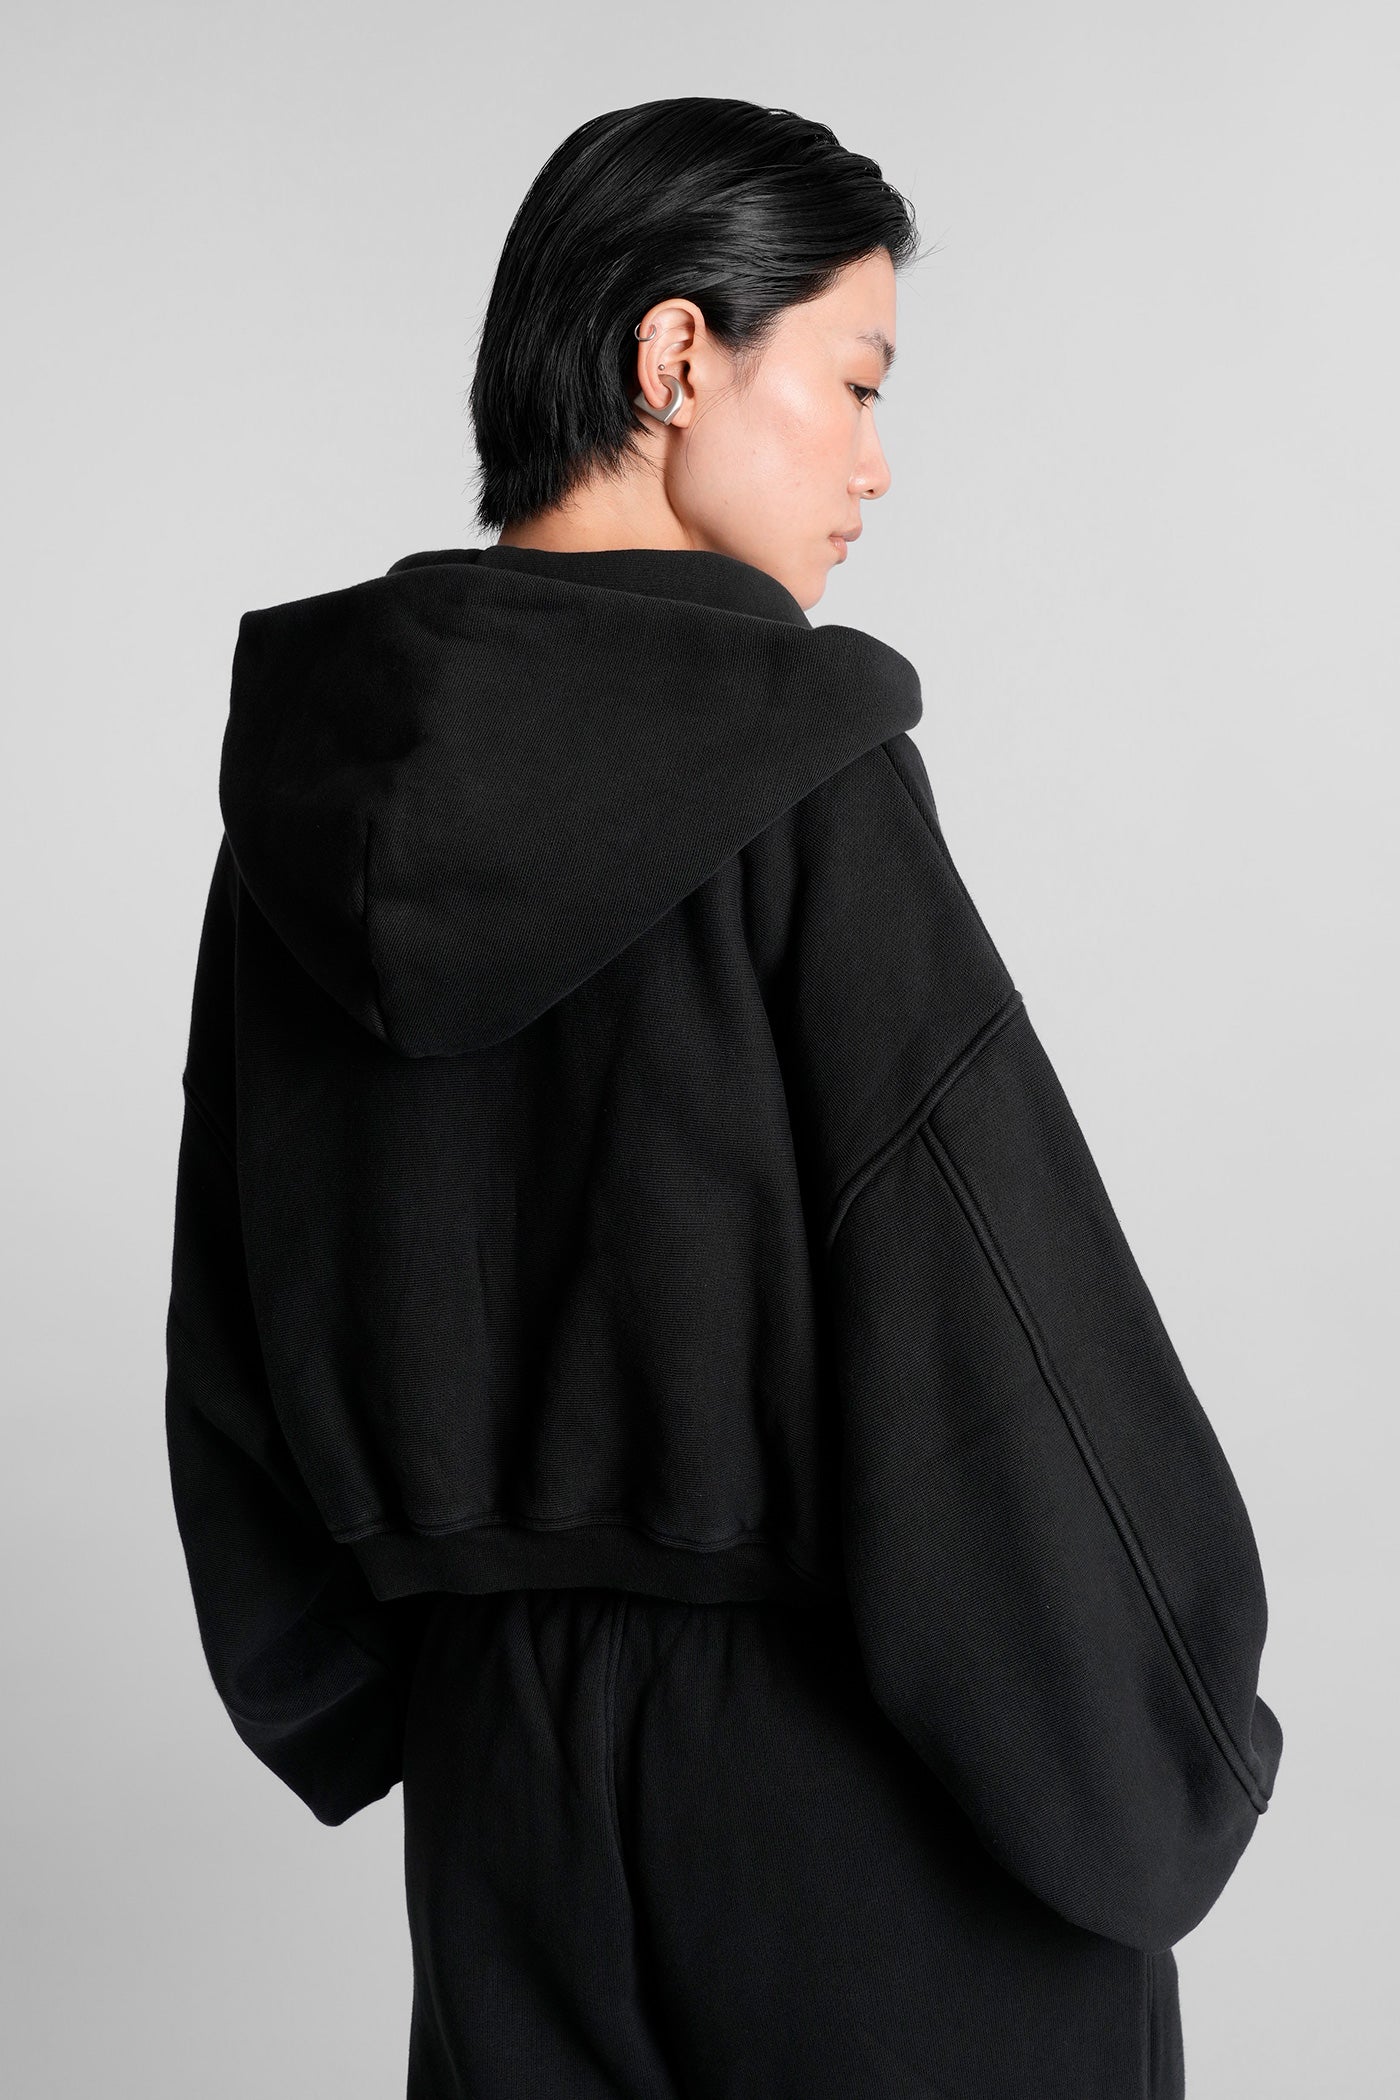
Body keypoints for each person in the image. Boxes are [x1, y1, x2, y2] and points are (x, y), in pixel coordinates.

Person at [164, 96, 1282, 2099]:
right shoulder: (801, 777)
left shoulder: (303, 818)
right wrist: (1159, 1738)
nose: (873, 463)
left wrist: (362, 1686)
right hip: (849, 1788)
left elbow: (229, 1318)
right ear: (676, 356)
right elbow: (983, 1315)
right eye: (853, 380)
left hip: (502, 1803)